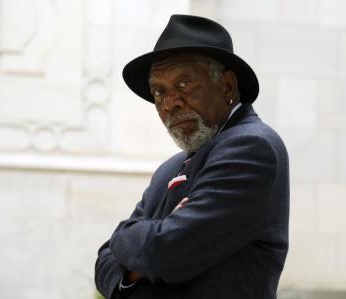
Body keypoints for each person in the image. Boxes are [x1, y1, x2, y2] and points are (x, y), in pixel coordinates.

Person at [94, 14, 289, 299]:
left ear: (227, 87)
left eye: (184, 84)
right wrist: (143, 251)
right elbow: (103, 263)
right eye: (159, 92)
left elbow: (167, 252)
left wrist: (127, 236)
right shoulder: (169, 169)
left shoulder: (252, 146)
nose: (170, 103)